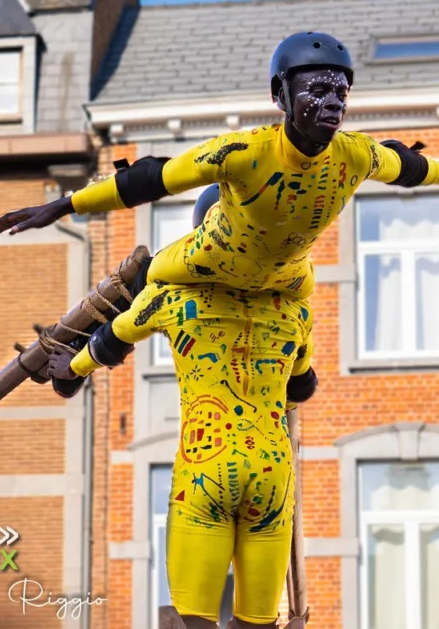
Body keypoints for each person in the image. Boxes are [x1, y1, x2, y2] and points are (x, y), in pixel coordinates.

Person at [0, 31, 439, 319]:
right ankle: (88, 347)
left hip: (283, 273)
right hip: (215, 252)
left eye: (341, 94)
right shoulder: (241, 151)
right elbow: (150, 178)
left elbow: (406, 166)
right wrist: (64, 204)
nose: (332, 104)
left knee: (302, 359)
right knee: (150, 278)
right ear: (281, 96)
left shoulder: (356, 154)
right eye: (317, 92)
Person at [54, 188, 318, 629]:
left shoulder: (171, 298)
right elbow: (302, 387)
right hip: (273, 473)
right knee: (258, 623)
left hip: (206, 468)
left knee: (194, 620)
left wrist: (71, 370)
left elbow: (109, 342)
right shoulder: (296, 312)